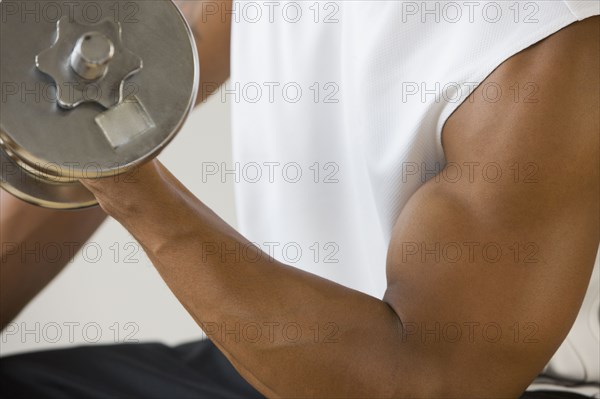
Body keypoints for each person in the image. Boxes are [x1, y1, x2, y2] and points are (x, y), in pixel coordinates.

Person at [1, 1, 599, 398]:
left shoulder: (542, 44)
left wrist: (116, 172)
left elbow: (426, 380)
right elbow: (124, 88)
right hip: (272, 356)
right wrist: (74, 147)